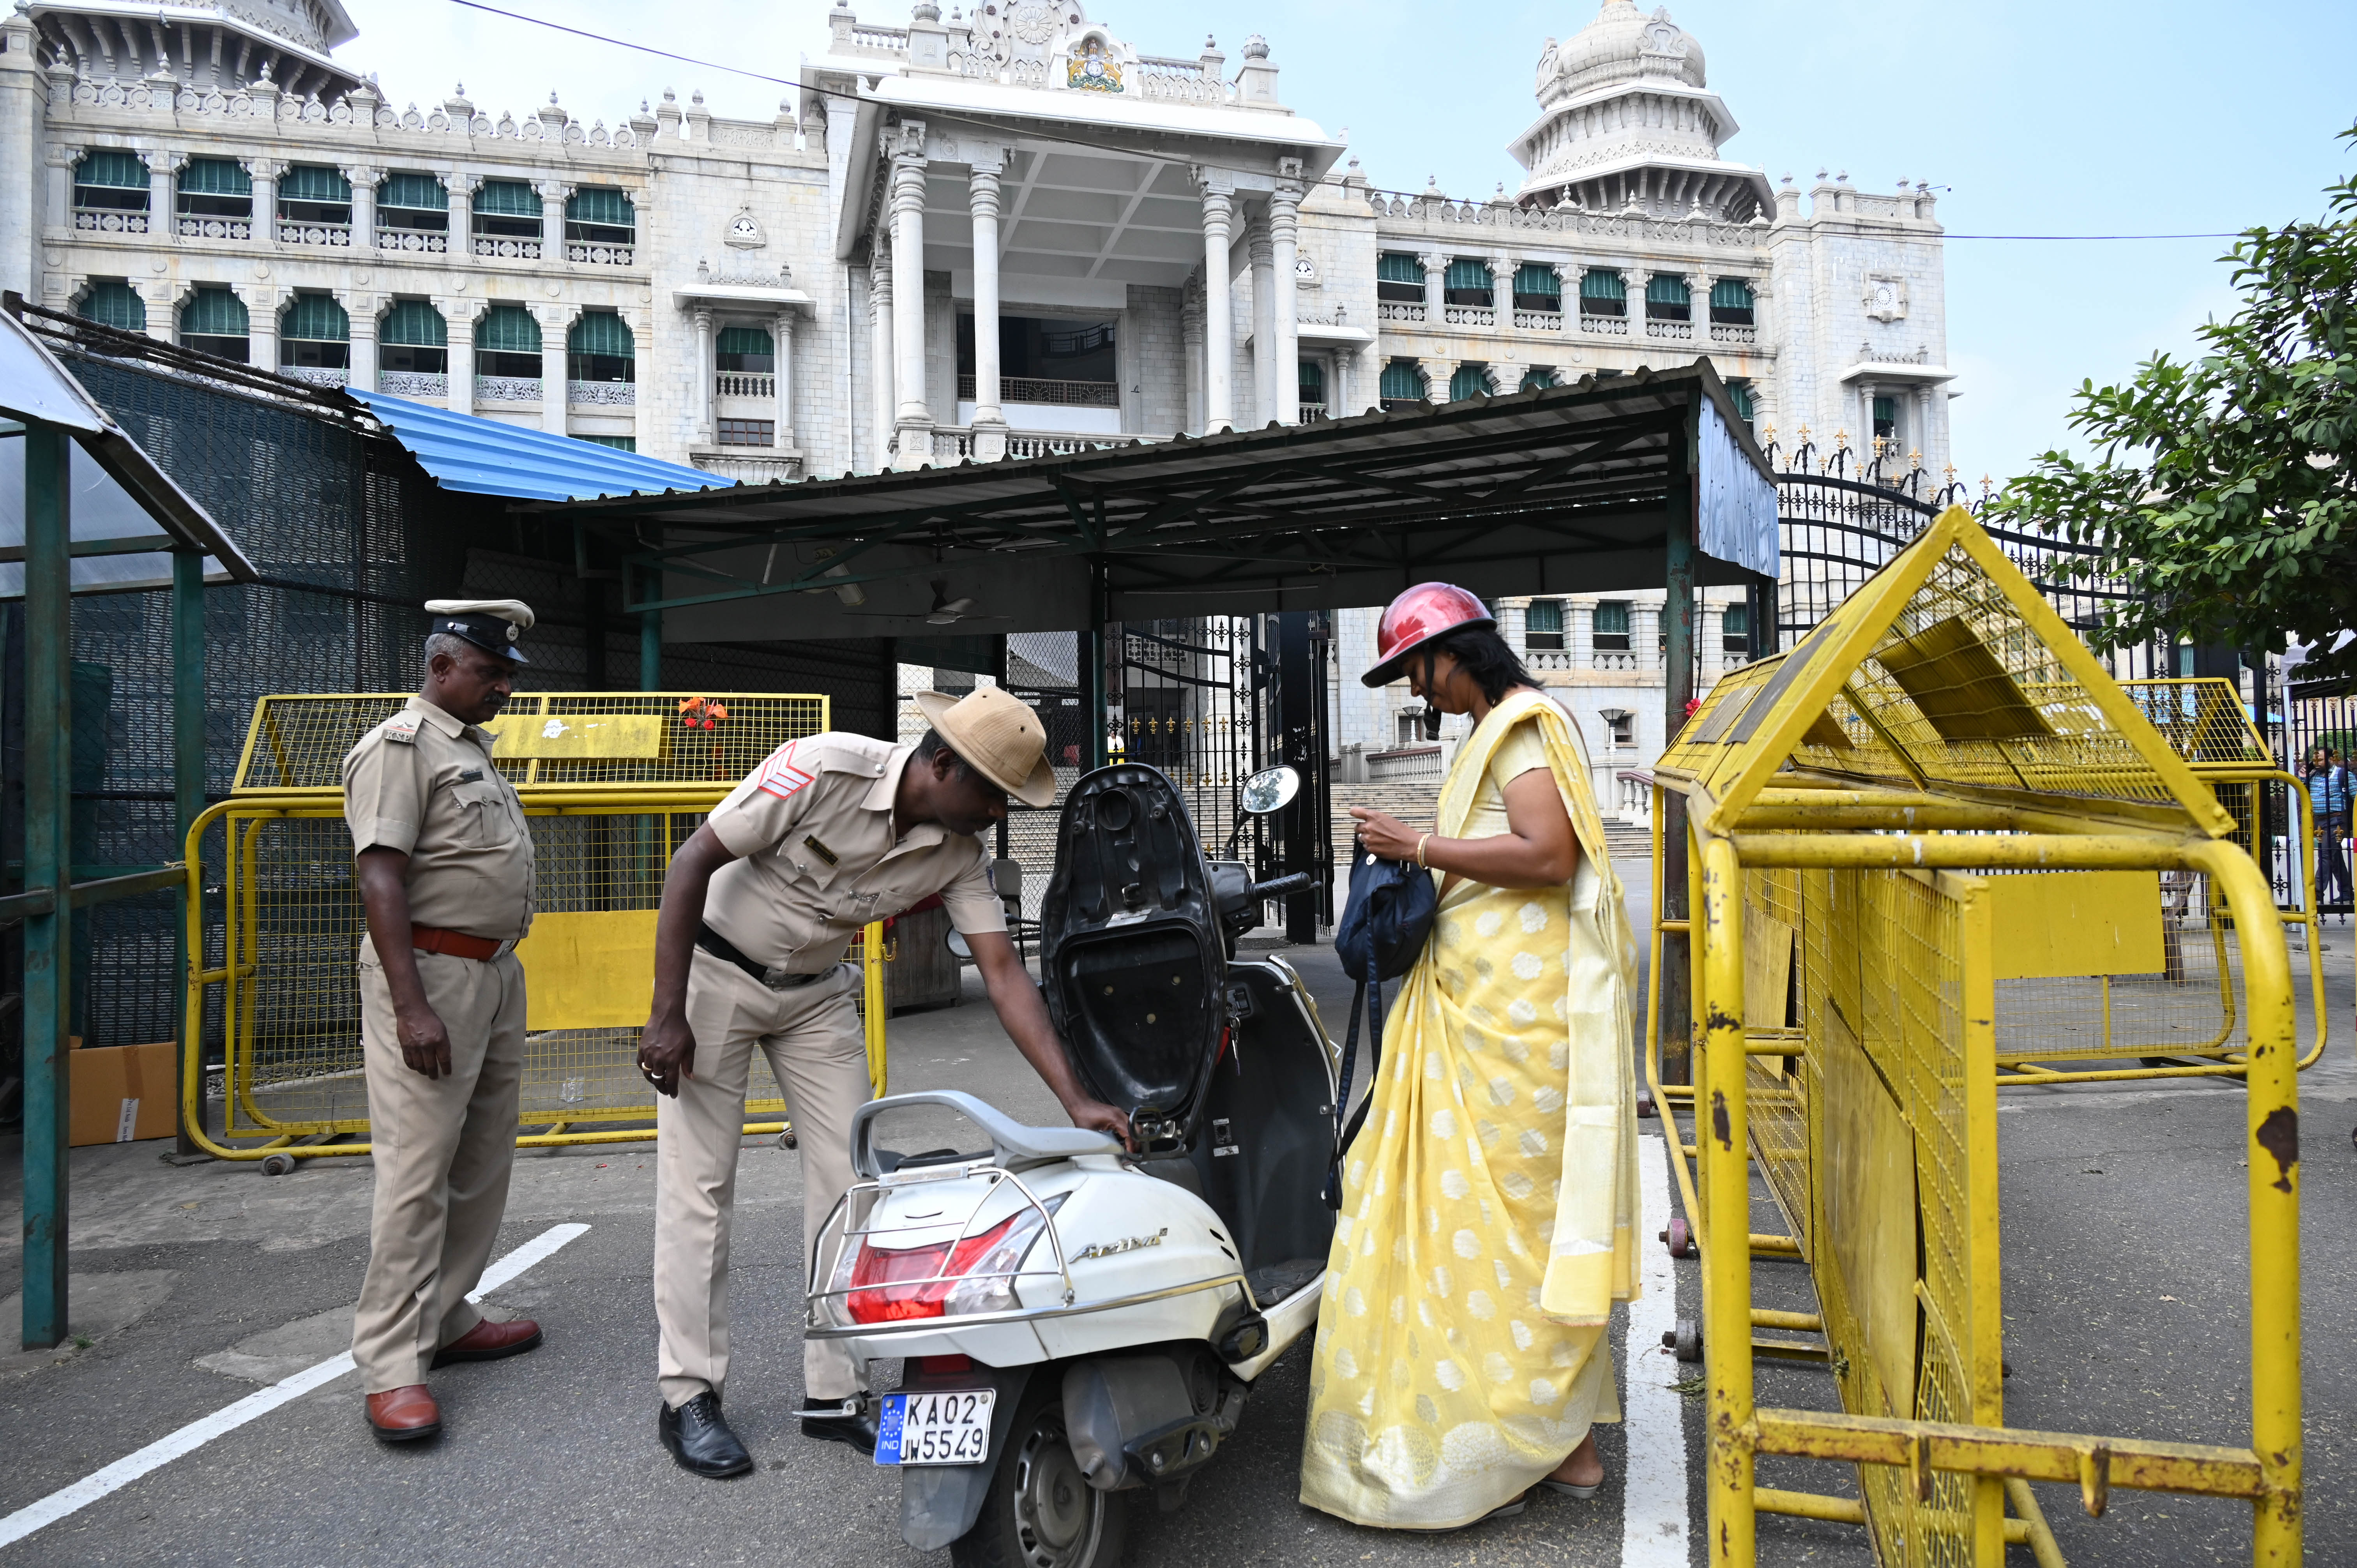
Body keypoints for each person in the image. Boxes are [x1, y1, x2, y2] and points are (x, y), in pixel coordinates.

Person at [636, 685, 1131, 1478]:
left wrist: (1075, 1099)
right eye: (994, 793)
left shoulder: (961, 850)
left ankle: (834, 1395)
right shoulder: (820, 768)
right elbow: (694, 859)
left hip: (817, 994)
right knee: (701, 1187)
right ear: (942, 763)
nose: (999, 813)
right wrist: (666, 1013)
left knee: (851, 1186)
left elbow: (1003, 973)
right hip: (716, 975)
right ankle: (688, 1394)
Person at [1300, 583, 1642, 1530]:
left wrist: (1415, 844)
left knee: (1514, 1231)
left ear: (1454, 653)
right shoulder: (1496, 730)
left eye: (1417, 667)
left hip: (1516, 1027)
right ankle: (1557, 1436)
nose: (1418, 688)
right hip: (1480, 1007)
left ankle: (1545, 1432)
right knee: (1487, 1232)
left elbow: (1548, 854)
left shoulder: (1524, 728)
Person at [341, 600, 546, 1442]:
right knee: (417, 1170)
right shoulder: (398, 748)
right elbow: (380, 878)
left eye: (506, 674)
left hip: (491, 973)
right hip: (428, 974)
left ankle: (449, 1314)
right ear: (441, 666)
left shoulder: (468, 749)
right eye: (490, 672)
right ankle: (391, 1363)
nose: (503, 686)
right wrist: (410, 1005)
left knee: (480, 1158)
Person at [2307, 745, 2352, 918]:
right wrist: (2304, 775)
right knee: (2334, 856)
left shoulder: (2342, 775)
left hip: (2336, 821)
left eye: (2320, 759)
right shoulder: (2313, 777)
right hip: (2319, 821)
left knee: (2325, 854)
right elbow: (2301, 792)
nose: (2316, 763)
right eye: (2314, 759)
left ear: (2331, 759)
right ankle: (2347, 892)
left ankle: (2317, 892)